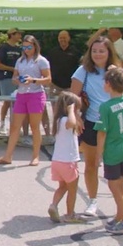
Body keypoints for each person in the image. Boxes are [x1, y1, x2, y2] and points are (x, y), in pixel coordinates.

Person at [70, 35, 123, 219]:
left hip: (116, 124)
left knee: (118, 168)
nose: (97, 54)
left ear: (109, 52)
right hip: (93, 123)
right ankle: (92, 202)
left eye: (102, 51)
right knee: (92, 164)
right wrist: (76, 117)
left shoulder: (115, 71)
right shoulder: (83, 71)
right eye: (94, 51)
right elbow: (73, 97)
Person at [0, 35, 51, 166]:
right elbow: (14, 78)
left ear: (35, 47)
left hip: (36, 94)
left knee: (35, 127)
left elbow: (48, 79)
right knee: (15, 126)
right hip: (21, 94)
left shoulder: (41, 61)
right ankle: (8, 156)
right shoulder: (20, 61)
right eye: (24, 47)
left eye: (29, 47)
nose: (26, 49)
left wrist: (33, 80)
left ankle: (35, 156)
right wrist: (17, 80)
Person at [96, 67, 123, 235]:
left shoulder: (105, 107)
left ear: (108, 84)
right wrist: (120, 70)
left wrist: (99, 154)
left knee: (114, 185)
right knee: (121, 184)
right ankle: (120, 215)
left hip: (113, 151)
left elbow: (102, 133)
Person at [47, 91, 87, 224]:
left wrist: (76, 114)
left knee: (63, 186)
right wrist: (71, 111)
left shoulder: (58, 120)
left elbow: (77, 125)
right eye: (77, 108)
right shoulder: (66, 120)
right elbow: (71, 123)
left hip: (57, 161)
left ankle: (53, 205)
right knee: (72, 189)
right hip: (68, 162)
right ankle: (70, 214)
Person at [0, 27, 24, 130]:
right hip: (6, 77)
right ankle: (2, 123)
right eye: (18, 34)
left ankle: (14, 125)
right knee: (7, 101)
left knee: (17, 102)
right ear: (12, 34)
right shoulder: (4, 48)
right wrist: (11, 69)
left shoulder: (19, 49)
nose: (20, 36)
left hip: (17, 79)